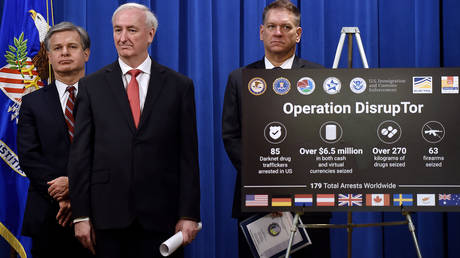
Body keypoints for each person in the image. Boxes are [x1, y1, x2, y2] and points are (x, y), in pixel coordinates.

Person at [67, 3, 201, 258]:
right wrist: (81, 215)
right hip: (106, 218)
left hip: (162, 217)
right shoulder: (90, 87)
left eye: (131, 30)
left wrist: (189, 214)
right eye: (118, 30)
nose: (123, 38)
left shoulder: (179, 86)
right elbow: (80, 156)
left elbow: (188, 156)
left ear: (150, 34)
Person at [222, 0, 331, 257]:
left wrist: (292, 188)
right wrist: (268, 184)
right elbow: (231, 137)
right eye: (272, 26)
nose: (278, 32)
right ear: (262, 32)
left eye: (286, 26)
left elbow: (326, 136)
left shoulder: (321, 76)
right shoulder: (239, 78)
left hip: (309, 202)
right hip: (257, 203)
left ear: (298, 33)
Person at [17, 22, 93, 258]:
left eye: (72, 46)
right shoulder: (32, 103)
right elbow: (29, 156)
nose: (65, 52)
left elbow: (114, 151)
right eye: (58, 48)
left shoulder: (107, 97)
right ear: (49, 56)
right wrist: (61, 192)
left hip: (98, 213)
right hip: (48, 215)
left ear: (86, 53)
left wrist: (75, 186)